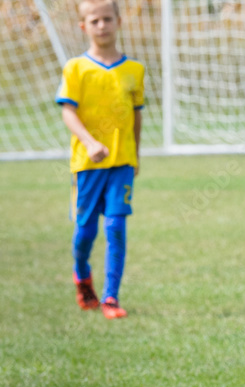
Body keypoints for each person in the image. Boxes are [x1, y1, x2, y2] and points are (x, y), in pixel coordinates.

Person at [56, 0, 144, 319]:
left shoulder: (134, 70)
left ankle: (111, 298)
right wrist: (90, 142)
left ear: (119, 22)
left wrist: (136, 154)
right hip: (87, 166)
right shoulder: (75, 68)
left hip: (122, 165)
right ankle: (82, 278)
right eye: (95, 21)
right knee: (85, 233)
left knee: (116, 228)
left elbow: (136, 117)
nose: (102, 26)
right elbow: (68, 111)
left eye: (108, 19)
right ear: (84, 26)